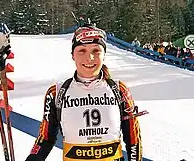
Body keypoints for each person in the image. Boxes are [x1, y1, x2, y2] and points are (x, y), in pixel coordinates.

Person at [26, 24, 142, 161]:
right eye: (82, 51)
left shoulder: (119, 89)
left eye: (96, 51)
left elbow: (133, 141)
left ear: (104, 55)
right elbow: (45, 139)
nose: (90, 58)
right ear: (73, 55)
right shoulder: (56, 93)